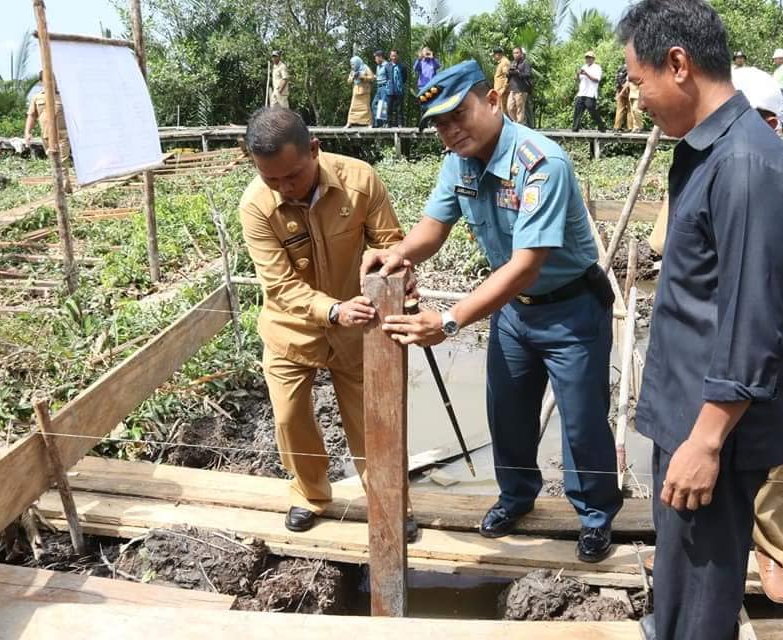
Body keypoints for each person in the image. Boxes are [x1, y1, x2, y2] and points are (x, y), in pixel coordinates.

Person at [361, 60, 623, 564]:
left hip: (570, 310)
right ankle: (516, 497)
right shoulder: (457, 162)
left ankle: (594, 515)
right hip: (513, 313)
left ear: (494, 102)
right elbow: (433, 229)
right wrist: (400, 254)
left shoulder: (539, 163)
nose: (449, 130)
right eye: (438, 122)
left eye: (458, 114)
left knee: (582, 422)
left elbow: (526, 266)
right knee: (508, 413)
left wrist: (451, 319)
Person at [619, 2, 783, 638]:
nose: (635, 97)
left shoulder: (745, 166)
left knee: (702, 596)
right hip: (688, 413)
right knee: (679, 578)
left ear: (678, 65)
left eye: (638, 81)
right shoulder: (705, 151)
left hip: (714, 433)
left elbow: (753, 324)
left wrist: (704, 442)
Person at [646, 65, 783, 607]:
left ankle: (771, 554)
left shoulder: (778, 179)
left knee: (764, 481)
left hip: (752, 373)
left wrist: (780, 372)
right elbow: (681, 267)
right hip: (705, 375)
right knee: (697, 526)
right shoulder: (704, 164)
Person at [237, 107, 417, 539]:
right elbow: (279, 285)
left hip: (358, 329)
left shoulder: (360, 180)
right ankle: (310, 495)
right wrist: (333, 309)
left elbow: (391, 242)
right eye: (270, 179)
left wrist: (401, 274)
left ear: (314, 150)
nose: (284, 188)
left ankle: (391, 501)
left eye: (292, 176)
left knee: (374, 420)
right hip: (290, 328)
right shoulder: (256, 207)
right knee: (289, 416)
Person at [25, 73, 72, 192]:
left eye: (53, 79)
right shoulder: (37, 98)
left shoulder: (64, 96)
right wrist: (27, 132)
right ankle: (63, 188)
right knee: (53, 162)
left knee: (61, 163)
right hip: (46, 136)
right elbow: (31, 116)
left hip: (62, 135)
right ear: (41, 82)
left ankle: (63, 190)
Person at [572, 51, 606, 132]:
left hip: (590, 94)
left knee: (592, 111)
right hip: (581, 93)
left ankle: (602, 126)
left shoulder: (597, 67)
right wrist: (577, 74)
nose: (587, 59)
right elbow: (577, 80)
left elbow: (596, 80)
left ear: (593, 59)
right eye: (586, 57)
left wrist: (586, 74)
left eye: (589, 57)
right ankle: (575, 128)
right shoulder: (583, 67)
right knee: (577, 110)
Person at [345, 56, 374, 127]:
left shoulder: (365, 68)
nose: (352, 66)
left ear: (357, 62)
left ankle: (369, 123)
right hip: (356, 92)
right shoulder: (353, 71)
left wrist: (363, 77)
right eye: (351, 64)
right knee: (352, 108)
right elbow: (348, 81)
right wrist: (352, 78)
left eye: (353, 64)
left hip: (365, 92)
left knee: (366, 108)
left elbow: (372, 78)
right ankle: (349, 123)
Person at [506, 47, 532, 125]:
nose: (515, 54)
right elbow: (509, 76)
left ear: (521, 54)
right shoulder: (513, 62)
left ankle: (520, 124)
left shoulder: (525, 63)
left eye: (517, 53)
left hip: (521, 89)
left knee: (520, 109)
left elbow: (528, 74)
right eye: (514, 53)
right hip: (512, 89)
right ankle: (516, 122)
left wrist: (518, 72)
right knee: (509, 108)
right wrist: (509, 73)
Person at [372, 50, 392, 128]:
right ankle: (378, 122)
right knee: (374, 104)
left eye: (376, 57)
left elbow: (390, 77)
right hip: (379, 87)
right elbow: (378, 76)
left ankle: (385, 123)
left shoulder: (387, 65)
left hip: (385, 87)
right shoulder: (378, 67)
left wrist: (388, 88)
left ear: (380, 57)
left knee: (383, 105)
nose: (375, 59)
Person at [388, 50, 408, 127]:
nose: (394, 57)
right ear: (390, 56)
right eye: (392, 55)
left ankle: (400, 124)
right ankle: (389, 123)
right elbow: (387, 76)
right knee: (389, 107)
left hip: (399, 90)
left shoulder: (402, 66)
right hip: (390, 89)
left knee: (400, 108)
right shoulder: (387, 66)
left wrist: (399, 84)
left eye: (395, 55)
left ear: (398, 56)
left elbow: (405, 78)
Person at [492, 47, 511, 119]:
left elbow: (507, 76)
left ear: (499, 54)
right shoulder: (501, 62)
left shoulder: (504, 62)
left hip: (502, 90)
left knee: (503, 109)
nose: (494, 57)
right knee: (501, 108)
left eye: (495, 55)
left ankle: (506, 126)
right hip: (499, 90)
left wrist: (504, 88)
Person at [614, 65, 629, 131]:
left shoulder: (620, 68)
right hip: (627, 90)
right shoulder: (631, 67)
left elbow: (617, 82)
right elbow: (628, 82)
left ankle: (617, 127)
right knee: (630, 110)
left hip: (619, 89)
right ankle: (630, 127)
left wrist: (618, 93)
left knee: (619, 109)